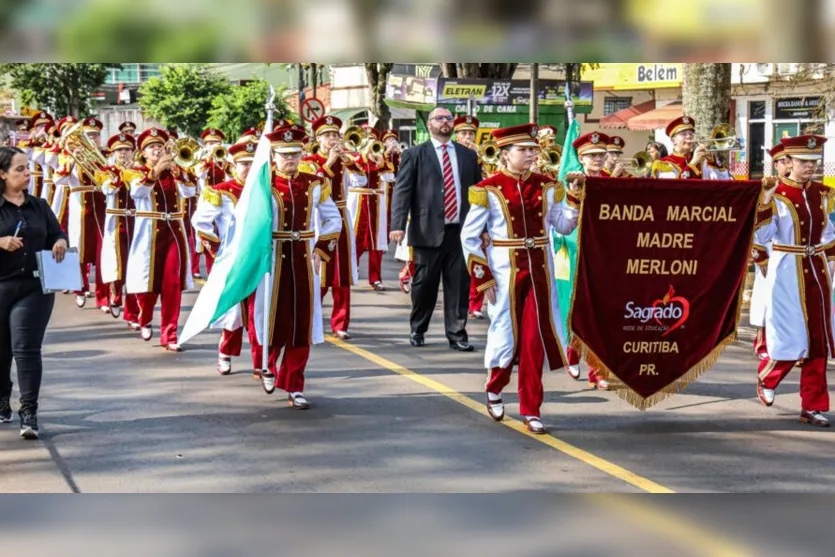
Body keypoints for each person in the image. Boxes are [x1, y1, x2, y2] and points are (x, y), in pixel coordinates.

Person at [461, 123, 582, 434]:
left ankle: (532, 408)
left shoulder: (547, 185)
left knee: (534, 341)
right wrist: (482, 278)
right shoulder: (487, 189)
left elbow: (563, 226)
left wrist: (575, 199)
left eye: (532, 149)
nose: (531, 154)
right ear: (505, 154)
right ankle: (495, 386)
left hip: (541, 270)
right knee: (505, 336)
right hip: (504, 273)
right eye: (523, 150)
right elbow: (470, 237)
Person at [250, 126, 342, 408]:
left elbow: (333, 219)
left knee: (302, 322)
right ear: (273, 156)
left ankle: (294, 385)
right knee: (271, 316)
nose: (290, 159)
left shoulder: (315, 183)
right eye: (284, 154)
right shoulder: (262, 184)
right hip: (273, 257)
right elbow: (248, 224)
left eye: (295, 154)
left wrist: (322, 248)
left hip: (303, 256)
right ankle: (267, 366)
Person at [755, 135, 834, 427]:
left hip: (817, 268)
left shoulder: (822, 194)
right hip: (786, 269)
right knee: (791, 335)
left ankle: (813, 405)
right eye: (803, 162)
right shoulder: (776, 195)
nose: (810, 167)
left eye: (813, 162)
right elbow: (761, 237)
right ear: (788, 163)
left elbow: (828, 235)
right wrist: (764, 202)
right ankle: (768, 376)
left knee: (818, 339)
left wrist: (832, 262)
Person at [390, 106, 481, 350]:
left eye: (448, 118)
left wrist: (484, 228)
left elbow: (479, 192)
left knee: (458, 286)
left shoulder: (467, 155)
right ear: (429, 124)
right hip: (427, 230)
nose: (445, 122)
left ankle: (457, 335)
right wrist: (397, 225)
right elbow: (402, 191)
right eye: (439, 118)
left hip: (460, 232)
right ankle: (418, 328)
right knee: (424, 285)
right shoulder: (415, 154)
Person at [0, 146, 68, 439]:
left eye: (27, 168)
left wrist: (60, 243)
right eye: (19, 169)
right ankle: (2, 399)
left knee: (26, 348)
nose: (27, 173)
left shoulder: (39, 205)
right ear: (2, 174)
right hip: (1, 284)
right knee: (1, 351)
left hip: (35, 286)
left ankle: (29, 411)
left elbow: (56, 233)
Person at [125, 128, 197, 351]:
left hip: (174, 230)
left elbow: (190, 192)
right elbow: (137, 193)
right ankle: (144, 318)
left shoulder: (177, 172)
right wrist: (155, 172)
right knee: (147, 284)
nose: (157, 149)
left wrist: (178, 172)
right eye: (151, 147)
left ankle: (170, 334)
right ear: (143, 153)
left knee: (172, 284)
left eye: (160, 146)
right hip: (149, 232)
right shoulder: (135, 172)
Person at [191, 139, 257, 374]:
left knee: (260, 309)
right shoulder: (222, 191)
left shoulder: (267, 188)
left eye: (252, 162)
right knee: (234, 310)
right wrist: (218, 249)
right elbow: (200, 222)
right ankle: (225, 351)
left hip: (260, 258)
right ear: (233, 165)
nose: (248, 168)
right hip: (233, 260)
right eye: (243, 163)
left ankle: (262, 363)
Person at [302, 115, 365, 339]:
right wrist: (328, 162)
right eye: (327, 135)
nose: (332, 139)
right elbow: (313, 182)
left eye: (335, 135)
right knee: (318, 269)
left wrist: (348, 161)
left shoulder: (345, 159)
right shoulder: (308, 161)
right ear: (318, 139)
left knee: (342, 271)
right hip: (318, 217)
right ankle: (310, 318)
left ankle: (340, 323)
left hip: (341, 213)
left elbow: (362, 182)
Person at [561, 131, 611, 390]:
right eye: (592, 155)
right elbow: (561, 223)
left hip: (605, 253)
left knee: (601, 313)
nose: (598, 159)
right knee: (575, 307)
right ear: (580, 157)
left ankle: (598, 370)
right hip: (576, 251)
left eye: (601, 155)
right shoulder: (571, 182)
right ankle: (571, 353)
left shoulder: (613, 182)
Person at [53, 117, 109, 312]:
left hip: (103, 206)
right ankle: (79, 288)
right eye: (89, 135)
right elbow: (58, 180)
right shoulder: (69, 156)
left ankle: (104, 297)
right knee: (78, 250)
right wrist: (70, 160)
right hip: (80, 207)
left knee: (104, 253)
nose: (92, 139)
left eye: (95, 135)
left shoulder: (107, 156)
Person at [750, 143, 791, 361]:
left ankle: (789, 344)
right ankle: (761, 341)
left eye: (790, 160)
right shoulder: (765, 188)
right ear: (775, 165)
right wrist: (760, 256)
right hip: (768, 252)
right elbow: (756, 228)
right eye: (783, 161)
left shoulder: (800, 190)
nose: (788, 165)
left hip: (792, 254)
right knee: (764, 298)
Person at [99, 132, 140, 327]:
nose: (123, 153)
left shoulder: (141, 169)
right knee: (118, 265)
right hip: (116, 222)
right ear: (113, 153)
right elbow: (107, 189)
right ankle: (114, 295)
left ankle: (133, 313)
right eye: (119, 150)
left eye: (127, 149)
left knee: (136, 268)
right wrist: (118, 175)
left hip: (138, 221)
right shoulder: (106, 170)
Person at [453, 115, 487, 320]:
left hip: (476, 212)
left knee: (477, 257)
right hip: (454, 213)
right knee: (456, 263)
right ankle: (459, 302)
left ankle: (475, 303)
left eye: (471, 134)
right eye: (463, 133)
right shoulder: (451, 155)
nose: (467, 137)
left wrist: (481, 161)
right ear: (456, 136)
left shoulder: (480, 156)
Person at [350, 128, 393, 291]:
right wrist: (364, 156)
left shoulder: (380, 158)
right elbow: (355, 178)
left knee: (377, 241)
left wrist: (382, 161)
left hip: (376, 201)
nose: (371, 144)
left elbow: (388, 177)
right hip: (359, 201)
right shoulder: (353, 158)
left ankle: (375, 278)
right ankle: (352, 270)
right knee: (357, 238)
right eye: (367, 140)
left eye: (373, 140)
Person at [192, 128, 233, 279]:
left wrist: (223, 162)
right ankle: (211, 274)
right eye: (209, 143)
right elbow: (199, 174)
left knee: (227, 235)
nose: (213, 145)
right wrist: (208, 159)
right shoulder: (200, 161)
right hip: (208, 204)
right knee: (208, 237)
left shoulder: (228, 160)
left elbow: (234, 176)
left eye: (215, 143)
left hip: (226, 203)